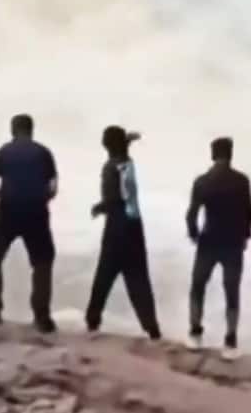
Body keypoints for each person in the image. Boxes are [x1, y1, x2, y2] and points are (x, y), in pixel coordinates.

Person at [0, 114, 58, 333]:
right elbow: (53, 188)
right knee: (42, 261)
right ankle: (42, 317)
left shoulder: (3, 152)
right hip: (36, 213)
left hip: (7, 211)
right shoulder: (44, 153)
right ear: (31, 130)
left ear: (13, 130)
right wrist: (40, 199)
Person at [85, 126, 161, 340]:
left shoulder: (111, 167)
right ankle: (152, 329)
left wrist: (100, 207)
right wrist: (128, 140)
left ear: (107, 144)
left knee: (104, 276)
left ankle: (92, 321)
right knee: (138, 279)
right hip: (135, 226)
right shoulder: (127, 162)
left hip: (117, 227)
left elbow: (115, 198)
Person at [186, 137, 251, 355]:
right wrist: (245, 236)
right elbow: (248, 212)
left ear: (213, 155)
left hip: (209, 241)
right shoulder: (241, 181)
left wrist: (194, 234)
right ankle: (230, 341)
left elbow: (192, 213)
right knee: (231, 291)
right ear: (230, 154)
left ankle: (195, 333)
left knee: (198, 286)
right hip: (233, 243)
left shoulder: (203, 181)